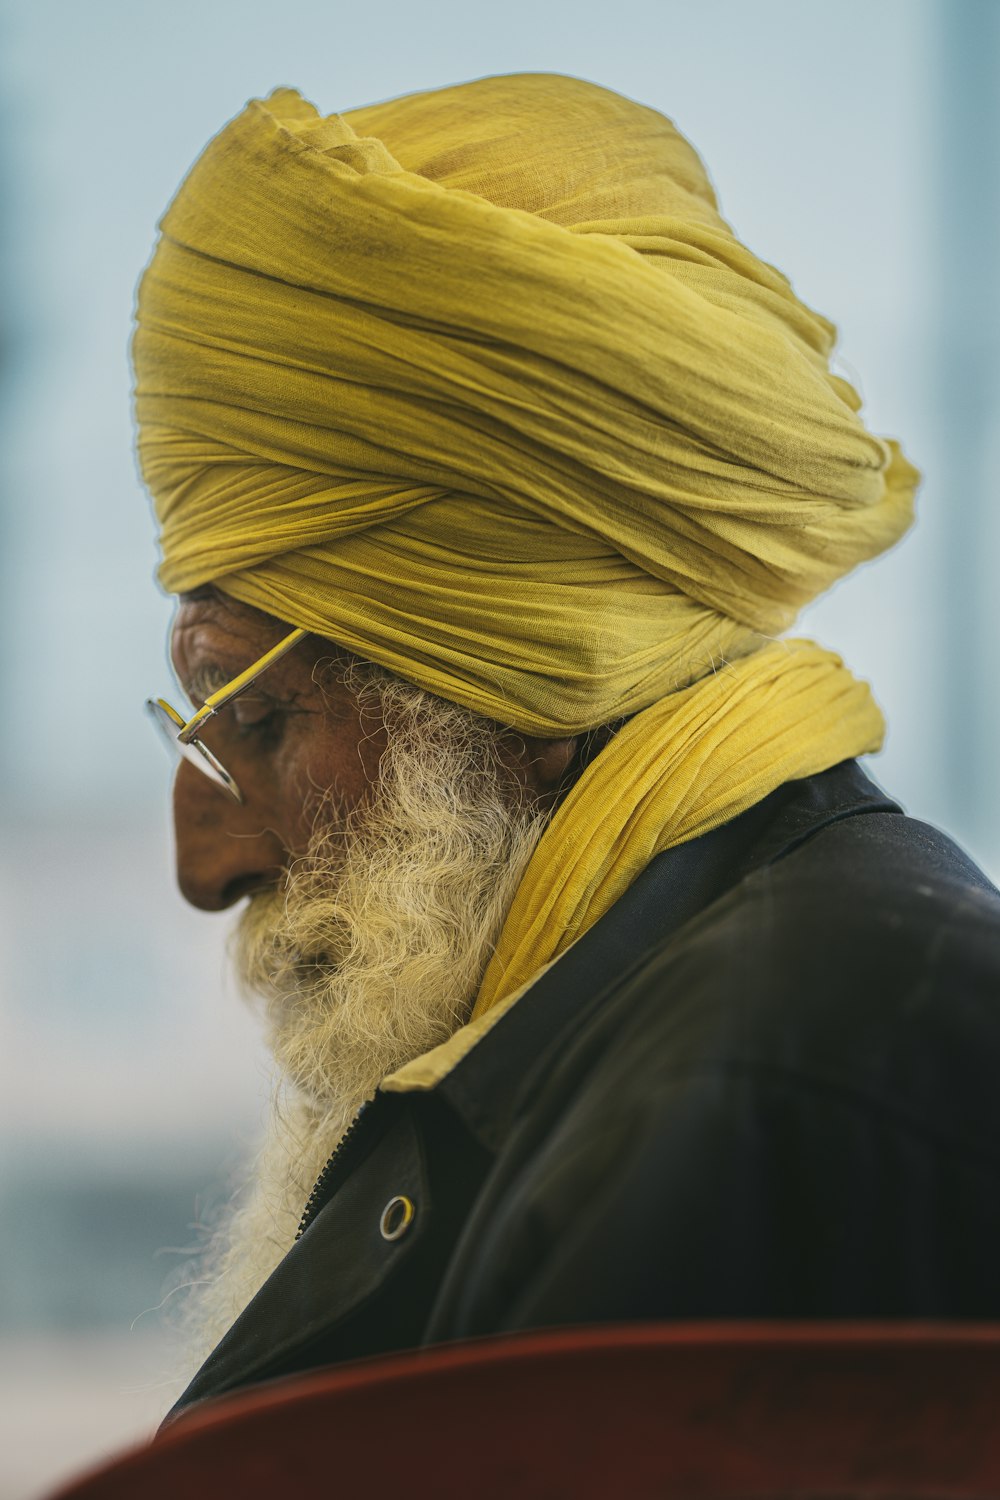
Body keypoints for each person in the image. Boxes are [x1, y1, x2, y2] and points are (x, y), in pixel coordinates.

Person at [133, 72, 1000, 1418]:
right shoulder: (635, 1026)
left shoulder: (786, 1083)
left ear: (532, 693)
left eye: (259, 719)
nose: (207, 861)